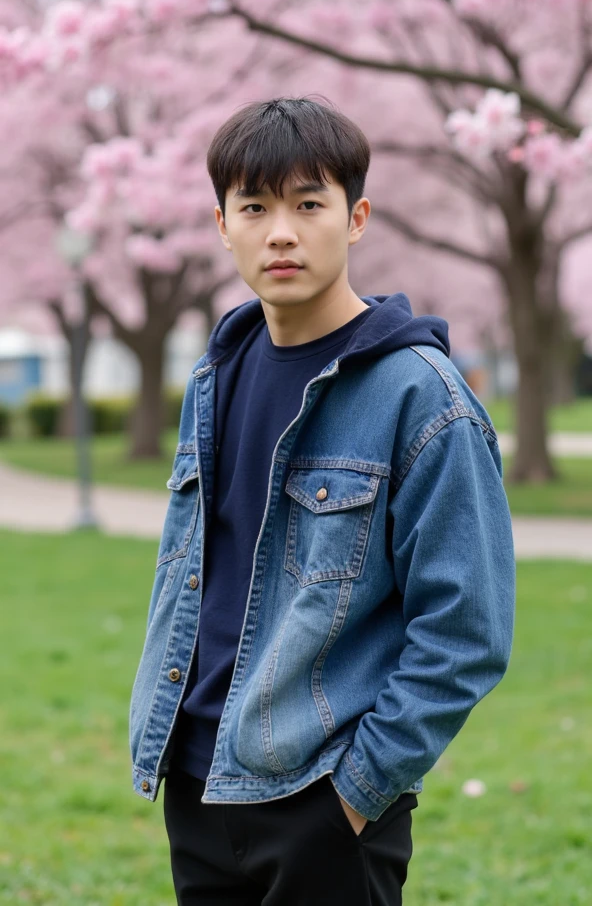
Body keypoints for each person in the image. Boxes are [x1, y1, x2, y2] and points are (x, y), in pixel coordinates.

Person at [129, 96, 516, 905]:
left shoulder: (423, 397)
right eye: (255, 207)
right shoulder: (215, 374)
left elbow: (467, 630)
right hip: (196, 781)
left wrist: (358, 792)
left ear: (356, 217)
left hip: (324, 800)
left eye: (309, 205)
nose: (281, 232)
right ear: (221, 224)